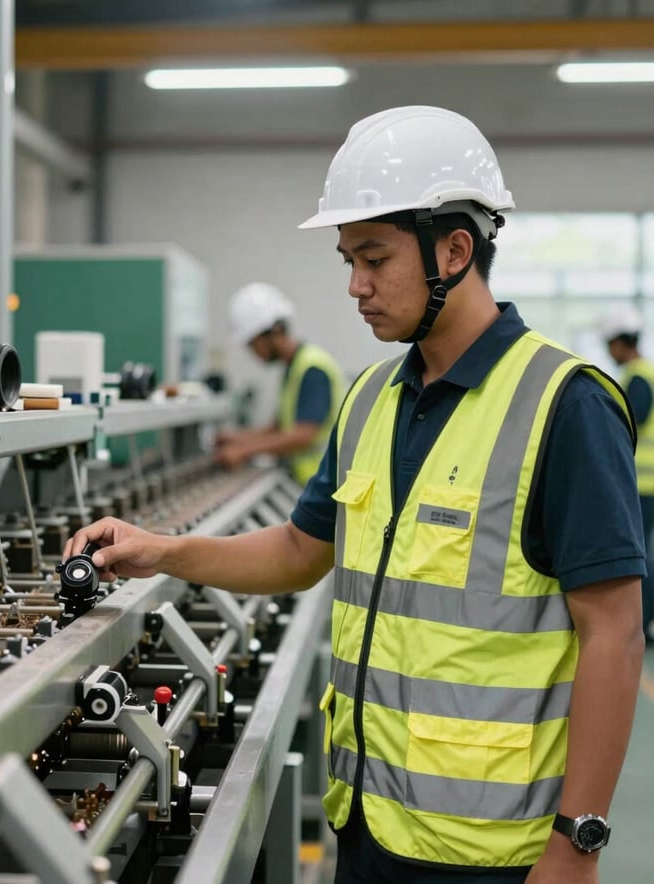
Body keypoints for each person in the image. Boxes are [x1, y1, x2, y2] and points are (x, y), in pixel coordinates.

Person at [64, 106, 645, 883]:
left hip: (490, 850)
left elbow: (614, 632)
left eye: (373, 258)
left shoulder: (563, 405)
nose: (354, 286)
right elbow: (302, 551)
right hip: (366, 821)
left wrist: (578, 843)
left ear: (455, 249)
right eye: (348, 258)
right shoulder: (370, 396)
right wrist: (164, 551)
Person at [214, 281, 344, 485]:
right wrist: (237, 438)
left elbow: (303, 435)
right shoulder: (294, 367)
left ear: (273, 332)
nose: (253, 352)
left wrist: (244, 450)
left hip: (319, 483)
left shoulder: (312, 369)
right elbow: (277, 428)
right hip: (305, 480)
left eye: (252, 343)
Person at [600, 303, 654, 640]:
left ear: (620, 343)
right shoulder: (642, 374)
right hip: (643, 484)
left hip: (641, 484)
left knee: (638, 559)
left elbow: (628, 425)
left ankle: (640, 624)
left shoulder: (637, 378)